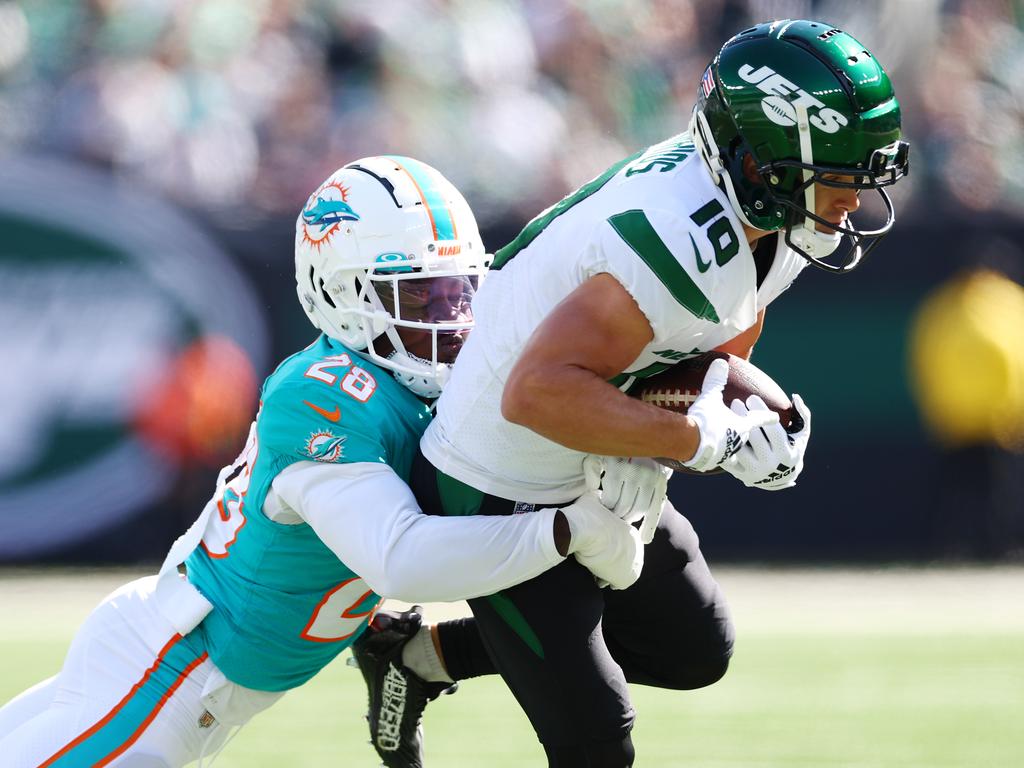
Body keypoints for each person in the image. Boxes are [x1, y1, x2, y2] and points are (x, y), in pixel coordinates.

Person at [354, 20, 910, 768]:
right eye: (841, 172)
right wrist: (698, 441)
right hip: (499, 475)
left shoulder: (773, 216)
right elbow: (534, 392)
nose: (857, 195)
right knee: (595, 739)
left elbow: (719, 335)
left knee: (693, 650)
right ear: (764, 164)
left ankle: (415, 657)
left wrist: (736, 413)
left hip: (581, 435)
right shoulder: (677, 236)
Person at [0, 156, 654, 768]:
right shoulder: (324, 393)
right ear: (340, 295)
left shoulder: (432, 388)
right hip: (167, 670)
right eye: (422, 299)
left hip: (186, 671)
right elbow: (400, 557)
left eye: (460, 294)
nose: (452, 320)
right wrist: (567, 530)